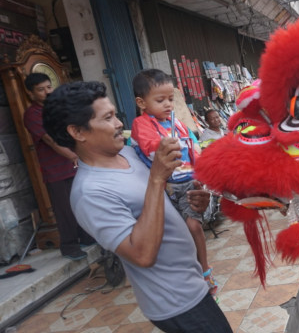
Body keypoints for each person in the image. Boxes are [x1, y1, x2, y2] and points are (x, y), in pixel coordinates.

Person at [42, 81, 233, 332]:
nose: (120, 123)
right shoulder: (90, 193)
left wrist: (193, 202)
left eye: (115, 115)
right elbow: (141, 254)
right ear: (78, 132)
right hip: (175, 300)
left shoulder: (129, 155)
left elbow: (157, 209)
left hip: (192, 281)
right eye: (108, 118)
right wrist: (156, 178)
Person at [129, 69, 219, 294]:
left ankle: (205, 269)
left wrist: (201, 172)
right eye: (160, 100)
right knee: (177, 233)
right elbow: (152, 149)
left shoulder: (176, 122)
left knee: (193, 225)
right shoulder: (141, 124)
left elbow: (193, 147)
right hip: (165, 187)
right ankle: (190, 273)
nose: (168, 104)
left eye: (170, 99)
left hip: (188, 182)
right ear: (141, 102)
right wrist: (171, 144)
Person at [22, 73, 94, 260]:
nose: (47, 92)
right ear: (31, 93)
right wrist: (75, 156)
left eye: (48, 87)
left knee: (81, 202)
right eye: (41, 89)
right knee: (64, 209)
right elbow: (51, 140)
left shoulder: (57, 109)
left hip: (75, 163)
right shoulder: (32, 114)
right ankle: (69, 246)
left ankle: (86, 237)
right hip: (55, 169)